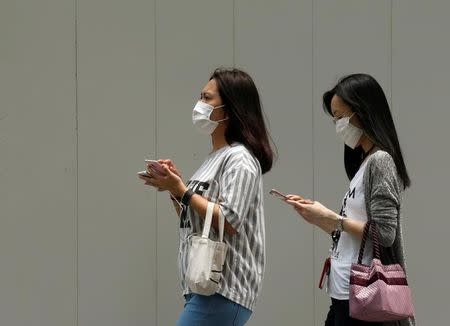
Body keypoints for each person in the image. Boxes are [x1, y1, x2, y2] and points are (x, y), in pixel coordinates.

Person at [138, 68, 275, 325]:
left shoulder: (240, 159)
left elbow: (230, 220)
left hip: (225, 289)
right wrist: (174, 189)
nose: (199, 104)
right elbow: (196, 220)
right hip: (204, 286)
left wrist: (183, 190)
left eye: (207, 98)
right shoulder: (214, 158)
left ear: (229, 109)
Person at [285, 74, 414, 326]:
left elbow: (385, 233)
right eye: (334, 118)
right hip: (344, 292)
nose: (337, 124)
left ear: (363, 112)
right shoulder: (364, 165)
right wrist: (317, 216)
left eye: (340, 116)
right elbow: (353, 233)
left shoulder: (380, 161)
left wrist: (334, 218)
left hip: (364, 296)